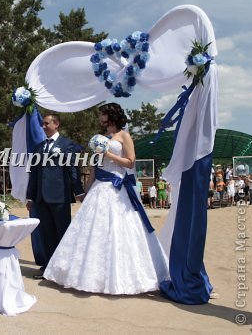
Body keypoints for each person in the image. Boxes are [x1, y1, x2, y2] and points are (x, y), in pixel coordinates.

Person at [43, 102, 169, 294]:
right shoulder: (102, 138)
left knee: (119, 231)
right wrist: (86, 188)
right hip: (99, 188)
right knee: (92, 231)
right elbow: (95, 165)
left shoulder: (124, 136)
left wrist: (107, 153)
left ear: (111, 115)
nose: (100, 118)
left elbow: (130, 162)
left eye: (102, 114)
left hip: (117, 189)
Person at [26, 113, 84, 278]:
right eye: (42, 124)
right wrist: (30, 196)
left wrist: (78, 191)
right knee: (47, 234)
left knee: (63, 233)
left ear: (56, 124)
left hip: (60, 197)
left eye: (46, 124)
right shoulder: (39, 147)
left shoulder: (67, 144)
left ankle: (65, 270)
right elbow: (34, 173)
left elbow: (73, 169)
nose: (43, 127)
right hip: (41, 198)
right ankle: (48, 268)